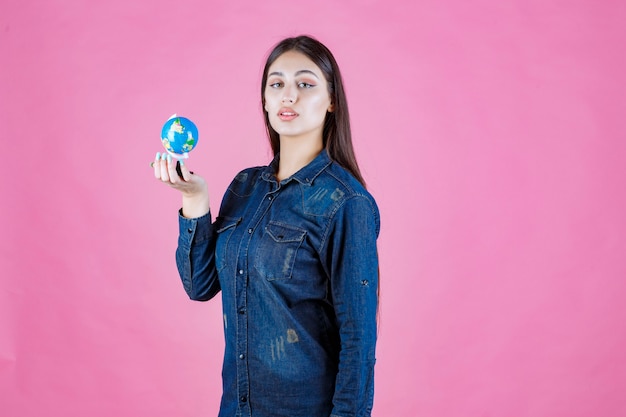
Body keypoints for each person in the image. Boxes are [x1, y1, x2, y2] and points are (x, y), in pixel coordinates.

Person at [153, 35, 380, 417]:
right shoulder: (245, 186)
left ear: (331, 102)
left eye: (304, 84)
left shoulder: (346, 203)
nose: (287, 96)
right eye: (276, 84)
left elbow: (358, 340)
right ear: (264, 101)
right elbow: (200, 285)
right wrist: (194, 198)